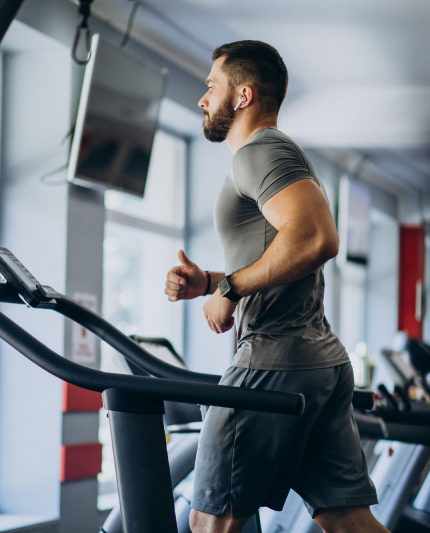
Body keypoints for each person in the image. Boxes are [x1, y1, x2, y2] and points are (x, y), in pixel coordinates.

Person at [164, 41, 387, 533]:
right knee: (349, 521)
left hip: (271, 363)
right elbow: (288, 253)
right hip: (318, 364)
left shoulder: (259, 152)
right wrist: (210, 283)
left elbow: (315, 239)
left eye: (211, 87)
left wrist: (232, 288)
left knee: (209, 523)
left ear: (242, 96)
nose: (202, 99)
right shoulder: (277, 155)